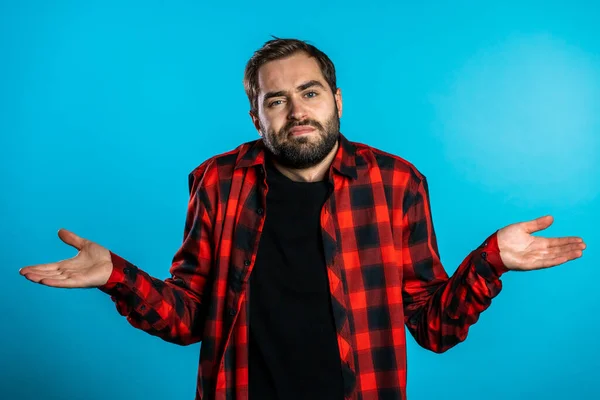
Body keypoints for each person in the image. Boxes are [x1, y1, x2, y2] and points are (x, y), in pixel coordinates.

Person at [19, 37, 586, 400]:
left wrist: (491, 262)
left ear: (337, 100)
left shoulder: (397, 183)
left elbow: (433, 328)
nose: (297, 112)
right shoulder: (217, 182)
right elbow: (191, 318)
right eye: (276, 100)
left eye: (309, 93)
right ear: (256, 114)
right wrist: (115, 274)